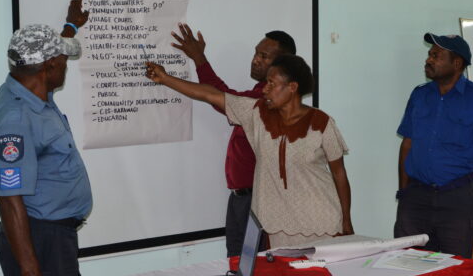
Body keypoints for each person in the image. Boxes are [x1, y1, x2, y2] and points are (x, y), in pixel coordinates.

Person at [146, 54, 354, 248]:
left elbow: (339, 174)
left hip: (322, 222)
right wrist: (165, 79)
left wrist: (346, 220)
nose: (264, 89)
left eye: (272, 84)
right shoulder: (255, 112)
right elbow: (211, 95)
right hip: (277, 225)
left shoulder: (322, 122)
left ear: (292, 87)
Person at [0, 0, 91, 276]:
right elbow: (9, 198)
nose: (65, 65)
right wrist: (30, 272)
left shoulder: (32, 89)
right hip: (38, 241)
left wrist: (71, 26)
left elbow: (55, 50)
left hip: (53, 238)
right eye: (62, 61)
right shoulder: (16, 119)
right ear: (48, 68)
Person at [168, 23, 296, 256]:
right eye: (256, 53)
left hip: (258, 200)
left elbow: (220, 98)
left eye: (264, 56)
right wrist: (199, 60)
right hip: (240, 198)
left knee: (255, 270)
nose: (255, 60)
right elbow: (223, 97)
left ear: (282, 66)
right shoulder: (259, 93)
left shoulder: (266, 102)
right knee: (237, 265)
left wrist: (197, 61)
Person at [394, 33, 473, 258]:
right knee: (407, 265)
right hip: (415, 197)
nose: (429, 60)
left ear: (456, 63)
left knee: (456, 269)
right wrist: (404, 191)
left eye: (436, 55)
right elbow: (407, 145)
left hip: (457, 198)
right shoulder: (419, 95)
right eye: (429, 54)